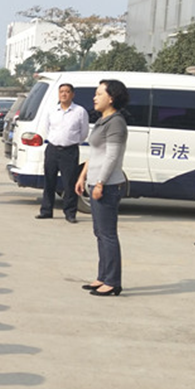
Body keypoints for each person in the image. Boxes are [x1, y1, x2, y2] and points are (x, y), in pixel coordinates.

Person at [76, 79, 129, 297]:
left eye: (99, 94)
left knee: (107, 234)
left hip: (108, 185)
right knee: (100, 232)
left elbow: (112, 157)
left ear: (112, 98)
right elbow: (96, 153)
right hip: (95, 181)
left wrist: (100, 183)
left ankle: (113, 281)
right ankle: (103, 276)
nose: (94, 97)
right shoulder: (102, 121)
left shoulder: (116, 122)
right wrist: (82, 176)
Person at [37, 83, 90, 223]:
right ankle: (46, 210)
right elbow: (47, 129)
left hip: (70, 151)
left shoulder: (80, 111)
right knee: (49, 181)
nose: (64, 94)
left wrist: (72, 142)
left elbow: (84, 132)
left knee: (70, 183)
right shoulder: (52, 111)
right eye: (61, 92)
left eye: (67, 92)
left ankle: (70, 213)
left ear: (72, 94)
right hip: (53, 149)